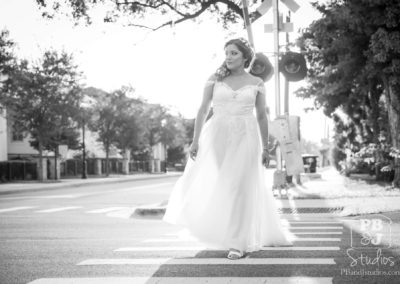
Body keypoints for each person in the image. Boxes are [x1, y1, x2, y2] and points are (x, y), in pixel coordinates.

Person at [163, 38, 295, 260]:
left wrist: (265, 148)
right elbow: (203, 109)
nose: (229, 56)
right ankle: (222, 230)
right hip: (217, 135)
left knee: (239, 186)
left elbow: (262, 115)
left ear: (245, 57)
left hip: (247, 136)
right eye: (227, 53)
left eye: (234, 53)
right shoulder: (214, 79)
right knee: (223, 184)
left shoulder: (256, 83)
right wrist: (195, 141)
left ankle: (238, 243)